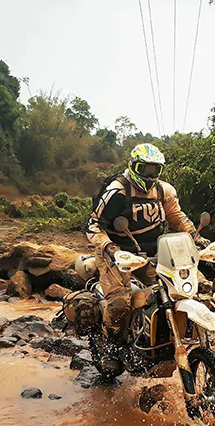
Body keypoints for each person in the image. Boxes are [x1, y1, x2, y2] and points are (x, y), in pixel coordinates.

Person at [86, 143, 208, 368]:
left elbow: (176, 217)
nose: (150, 176)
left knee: (172, 294)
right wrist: (110, 248)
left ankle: (160, 340)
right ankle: (111, 346)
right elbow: (94, 226)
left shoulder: (164, 191)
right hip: (117, 253)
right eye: (145, 169)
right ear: (133, 166)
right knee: (121, 303)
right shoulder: (117, 190)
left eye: (155, 170)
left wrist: (195, 236)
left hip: (152, 252)